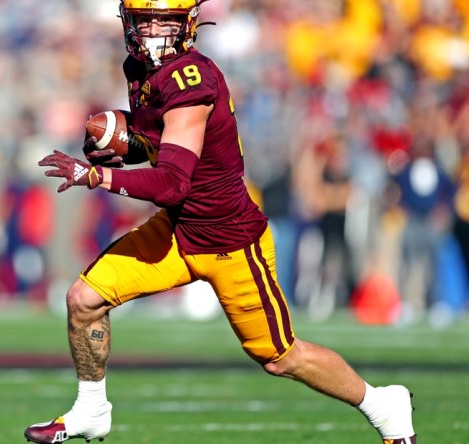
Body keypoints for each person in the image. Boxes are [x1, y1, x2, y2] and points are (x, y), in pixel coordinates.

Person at [29, 1, 417, 443]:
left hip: (228, 238)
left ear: (187, 24)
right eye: (146, 19)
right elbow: (163, 146)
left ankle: (382, 405)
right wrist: (122, 147)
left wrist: (98, 175)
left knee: (279, 356)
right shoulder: (137, 68)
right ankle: (91, 409)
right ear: (128, 21)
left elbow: (173, 182)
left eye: (166, 20)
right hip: (178, 230)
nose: (155, 31)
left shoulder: (190, 79)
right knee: (84, 299)